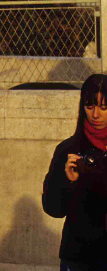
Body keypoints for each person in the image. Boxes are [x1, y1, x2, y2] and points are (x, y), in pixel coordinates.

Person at [42, 73, 107, 271]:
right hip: (79, 256)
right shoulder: (68, 149)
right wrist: (68, 182)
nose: (95, 115)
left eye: (103, 108)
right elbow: (53, 208)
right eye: (90, 107)